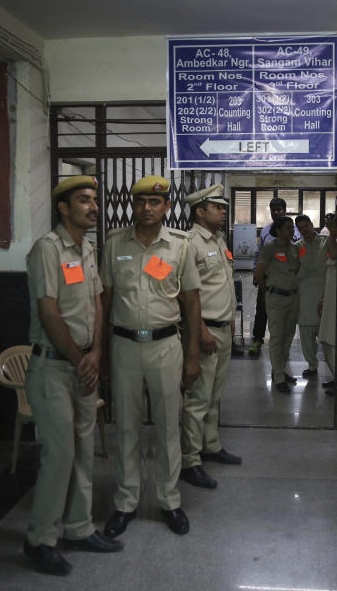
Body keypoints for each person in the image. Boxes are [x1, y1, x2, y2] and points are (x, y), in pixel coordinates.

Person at [21, 176, 122, 576]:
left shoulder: (88, 250)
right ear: (63, 207)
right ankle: (40, 539)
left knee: (83, 452)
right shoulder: (47, 249)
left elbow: (97, 304)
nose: (93, 206)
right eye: (84, 200)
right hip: (52, 369)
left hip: (83, 365)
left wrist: (96, 353)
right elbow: (49, 311)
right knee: (59, 456)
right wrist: (81, 358)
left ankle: (79, 528)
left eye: (95, 200)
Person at [100, 175, 201, 538]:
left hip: (165, 347)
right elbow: (105, 301)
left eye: (155, 202)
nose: (147, 208)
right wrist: (99, 353)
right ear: (133, 204)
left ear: (166, 207)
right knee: (125, 427)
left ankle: (169, 500)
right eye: (141, 201)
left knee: (167, 427)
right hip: (124, 346)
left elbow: (191, 301)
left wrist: (192, 355)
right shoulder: (114, 243)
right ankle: (125, 502)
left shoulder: (180, 245)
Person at [179, 184, 242, 491]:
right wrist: (200, 330)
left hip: (223, 328)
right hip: (203, 331)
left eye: (224, 207)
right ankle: (189, 460)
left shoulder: (218, 240)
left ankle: (211, 445)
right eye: (218, 207)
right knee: (197, 399)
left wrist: (228, 320)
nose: (223, 211)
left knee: (214, 396)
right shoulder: (189, 243)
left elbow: (221, 286)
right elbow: (187, 294)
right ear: (199, 211)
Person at [248, 197, 300, 357]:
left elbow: (301, 255)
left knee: (286, 314)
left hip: (287, 280)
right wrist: (256, 274)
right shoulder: (265, 231)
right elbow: (258, 254)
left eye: (279, 209)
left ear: (285, 210)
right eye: (273, 210)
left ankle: (284, 346)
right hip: (267, 278)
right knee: (262, 309)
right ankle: (257, 339)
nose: (276, 212)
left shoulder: (294, 232)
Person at [254, 215, 300, 394]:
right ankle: (279, 377)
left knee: (288, 335)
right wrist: (268, 293)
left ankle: (279, 369)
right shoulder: (269, 249)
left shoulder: (295, 248)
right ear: (278, 230)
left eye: (292, 227)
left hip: (293, 298)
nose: (291, 230)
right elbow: (259, 275)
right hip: (276, 298)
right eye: (288, 228)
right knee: (277, 337)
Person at [294, 214, 329, 380]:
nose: (304, 230)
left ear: (311, 224)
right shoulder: (297, 247)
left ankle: (334, 367)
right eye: (300, 228)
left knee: (327, 334)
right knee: (306, 335)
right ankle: (312, 365)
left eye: (305, 226)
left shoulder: (326, 241)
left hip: (325, 293)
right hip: (304, 296)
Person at [317, 213, 337, 395]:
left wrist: (334, 234)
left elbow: (335, 253)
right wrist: (322, 298)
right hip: (330, 298)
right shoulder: (335, 241)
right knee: (328, 338)